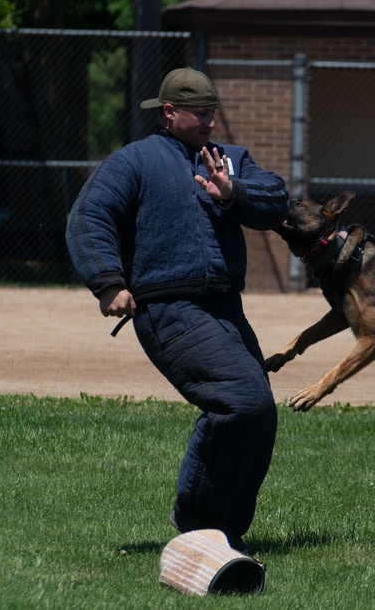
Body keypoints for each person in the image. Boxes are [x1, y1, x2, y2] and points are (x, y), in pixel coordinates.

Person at [66, 67, 289, 554]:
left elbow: (276, 199)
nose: (212, 123)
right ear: (169, 113)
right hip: (169, 308)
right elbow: (90, 216)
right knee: (240, 401)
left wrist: (234, 194)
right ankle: (199, 524)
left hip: (226, 308)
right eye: (202, 114)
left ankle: (225, 533)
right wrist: (108, 282)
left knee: (260, 415)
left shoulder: (230, 160)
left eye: (214, 112)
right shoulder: (135, 162)